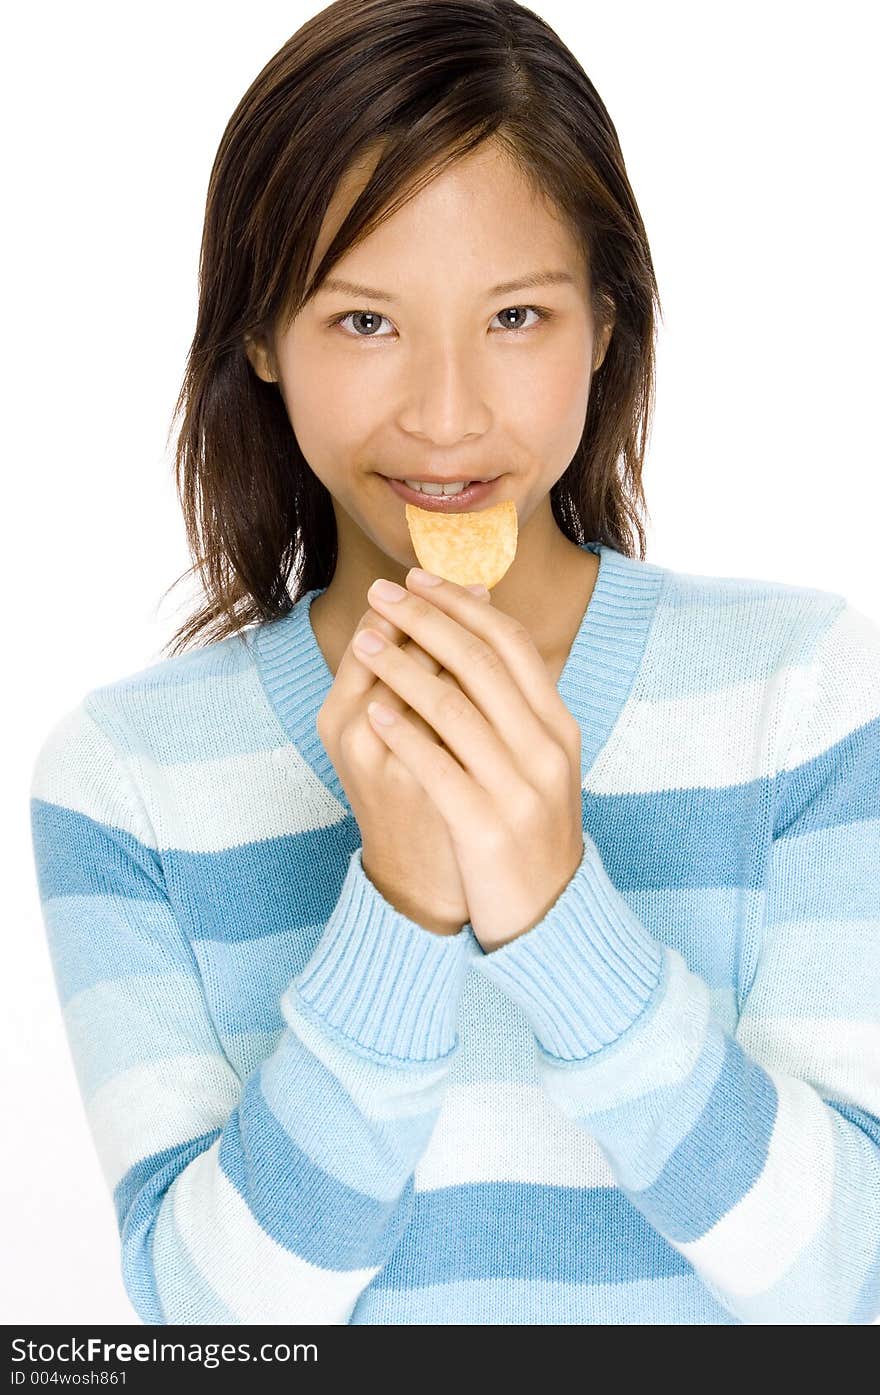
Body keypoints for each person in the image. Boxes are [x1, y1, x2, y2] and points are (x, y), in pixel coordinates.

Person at [29, 0, 880, 1326]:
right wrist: (404, 902)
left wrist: (554, 909)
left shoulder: (801, 690)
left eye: (518, 318)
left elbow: (851, 1284)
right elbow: (207, 1331)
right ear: (259, 341)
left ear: (608, 325)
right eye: (365, 323)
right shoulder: (126, 778)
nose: (445, 414)